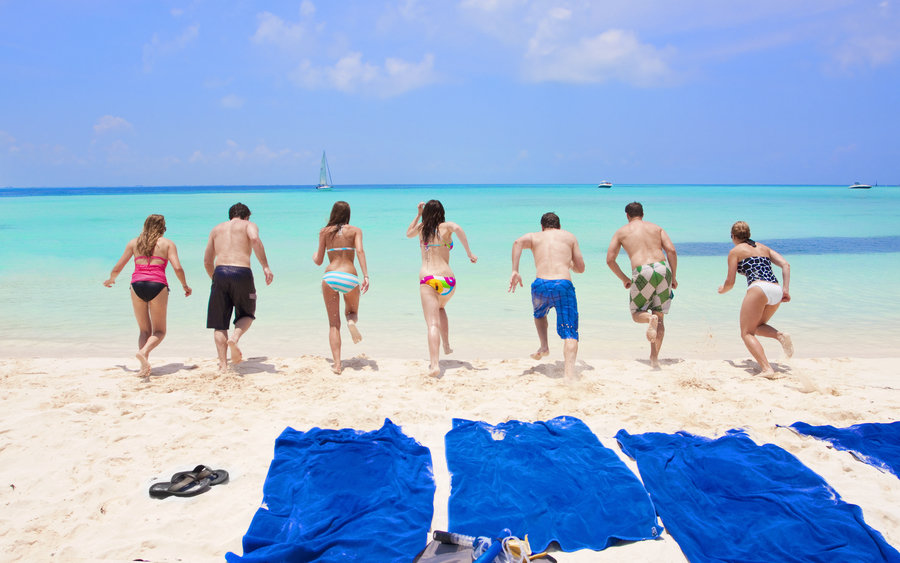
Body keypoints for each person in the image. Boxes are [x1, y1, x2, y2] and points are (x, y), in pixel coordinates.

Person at [103, 214, 192, 376]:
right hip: (157, 286)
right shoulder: (167, 244)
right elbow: (177, 268)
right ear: (163, 227)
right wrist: (185, 286)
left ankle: (143, 364)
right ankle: (143, 353)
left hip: (136, 285)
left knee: (144, 331)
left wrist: (111, 279)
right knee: (159, 331)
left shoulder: (134, 243)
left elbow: (118, 267)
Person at [509, 212, 585, 381]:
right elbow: (581, 268)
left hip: (540, 284)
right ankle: (569, 374)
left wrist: (515, 270)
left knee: (539, 314)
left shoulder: (535, 237)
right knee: (570, 332)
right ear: (559, 227)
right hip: (562, 284)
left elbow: (517, 243)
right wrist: (570, 264)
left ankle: (544, 346)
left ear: (542, 227)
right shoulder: (569, 237)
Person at [406, 200, 477, 377]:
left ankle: (435, 365)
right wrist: (469, 253)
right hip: (448, 280)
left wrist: (417, 214)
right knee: (441, 308)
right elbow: (458, 228)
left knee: (432, 324)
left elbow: (408, 234)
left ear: (425, 214)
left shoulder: (422, 228)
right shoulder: (447, 227)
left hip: (429, 279)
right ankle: (446, 344)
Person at [606, 202, 678, 369]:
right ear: (642, 214)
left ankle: (649, 319)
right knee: (659, 317)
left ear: (627, 215)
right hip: (662, 268)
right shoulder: (656, 228)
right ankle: (654, 358)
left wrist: (624, 278)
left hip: (642, 270)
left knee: (637, 313)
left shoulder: (621, 232)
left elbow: (610, 260)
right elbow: (672, 251)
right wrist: (673, 276)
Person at [203, 202, 273, 371]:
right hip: (241, 272)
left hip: (219, 272)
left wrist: (215, 279)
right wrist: (265, 266)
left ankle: (223, 364)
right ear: (246, 216)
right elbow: (254, 239)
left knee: (219, 324)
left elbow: (207, 261)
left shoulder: (216, 229)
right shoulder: (248, 225)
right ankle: (234, 337)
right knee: (247, 314)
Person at [718, 220, 792, 378]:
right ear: (748, 234)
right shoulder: (763, 247)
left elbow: (730, 282)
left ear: (733, 236)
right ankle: (780, 336)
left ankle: (767, 369)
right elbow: (786, 265)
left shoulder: (735, 251)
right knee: (758, 326)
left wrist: (722, 290)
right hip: (776, 289)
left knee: (746, 333)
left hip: (759, 288)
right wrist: (785, 290)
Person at [312, 201, 370, 374]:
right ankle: (351, 321)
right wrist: (366, 275)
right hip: (350, 276)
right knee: (351, 313)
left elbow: (319, 260)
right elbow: (360, 251)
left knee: (333, 324)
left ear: (333, 213)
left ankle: (337, 364)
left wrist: (314, 256)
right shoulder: (355, 231)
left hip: (330, 277)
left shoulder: (324, 232)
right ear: (348, 214)